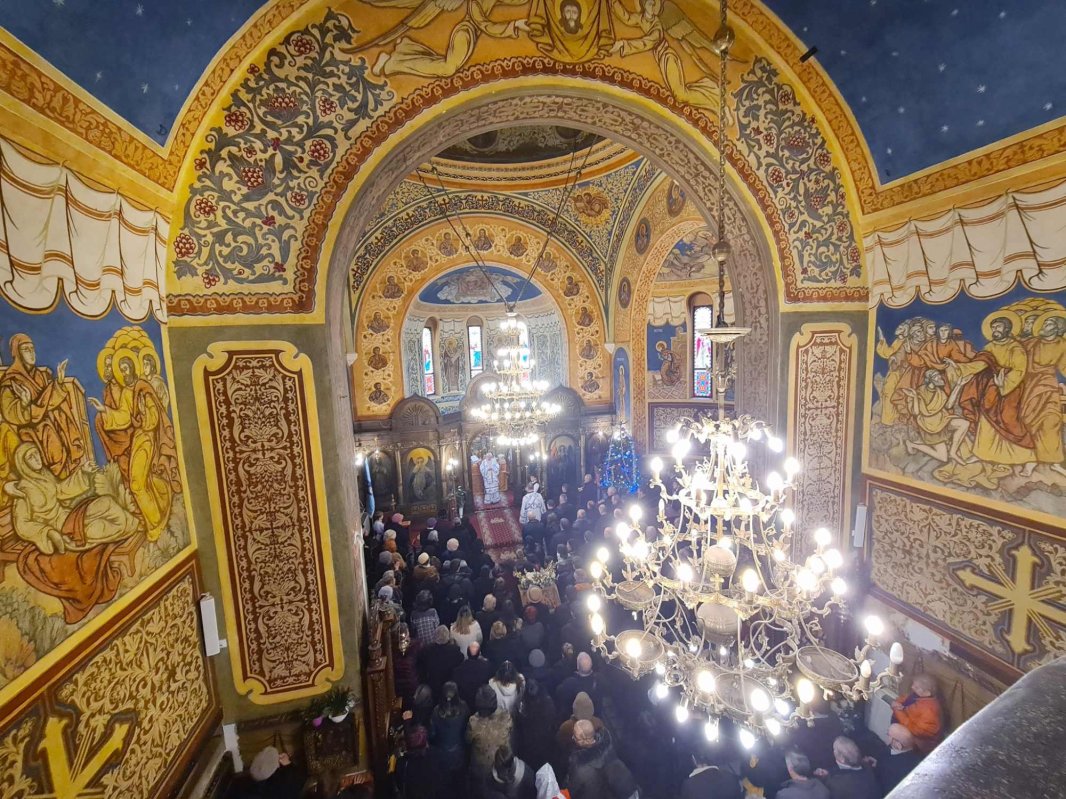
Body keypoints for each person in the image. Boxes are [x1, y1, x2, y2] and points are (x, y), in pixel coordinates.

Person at [567, 720, 635, 799]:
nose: (573, 738)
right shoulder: (610, 747)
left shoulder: (579, 767)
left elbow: (571, 790)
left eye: (574, 737)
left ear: (580, 741)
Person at [468, 685, 515, 785]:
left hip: (482, 771)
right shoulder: (506, 716)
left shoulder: (473, 722)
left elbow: (467, 740)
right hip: (502, 768)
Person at [431, 681, 470, 795]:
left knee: (445, 788)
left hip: (442, 754)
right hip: (459, 753)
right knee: (460, 785)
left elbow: (432, 734)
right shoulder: (464, 708)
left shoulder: (436, 712)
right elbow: (467, 729)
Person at [892, 673, 944, 754]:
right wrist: (897, 703)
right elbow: (903, 698)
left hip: (917, 745)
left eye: (916, 687)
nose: (912, 687)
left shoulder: (930, 711)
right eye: (913, 684)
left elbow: (917, 731)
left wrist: (898, 711)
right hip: (904, 729)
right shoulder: (917, 695)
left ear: (927, 693)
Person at [790, 696, 844, 773]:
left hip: (817, 768)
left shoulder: (803, 727)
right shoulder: (833, 718)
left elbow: (799, 744)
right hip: (836, 764)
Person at [816, 737, 881, 799]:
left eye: (834, 749)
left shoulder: (837, 785)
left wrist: (825, 778)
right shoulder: (868, 768)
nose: (833, 751)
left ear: (842, 759)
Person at [515, 678, 557, 771]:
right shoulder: (548, 703)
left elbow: (521, 726)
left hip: (530, 744)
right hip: (544, 742)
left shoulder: (524, 708)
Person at [870, 724, 922, 795]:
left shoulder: (891, 768)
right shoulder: (918, 754)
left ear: (898, 745)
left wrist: (876, 766)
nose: (887, 737)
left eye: (888, 735)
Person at [418, 625, 463, 698]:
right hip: (450, 686)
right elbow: (461, 659)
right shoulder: (454, 650)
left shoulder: (427, 650)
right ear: (448, 637)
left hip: (434, 686)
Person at [555, 652, 600, 718]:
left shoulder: (569, 683)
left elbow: (559, 692)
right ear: (591, 665)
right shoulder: (599, 679)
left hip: (573, 717)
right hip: (594, 715)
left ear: (577, 666)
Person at [453, 641, 495, 709]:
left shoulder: (458, 670)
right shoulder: (487, 666)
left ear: (467, 653)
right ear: (479, 653)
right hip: (482, 702)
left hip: (466, 702)